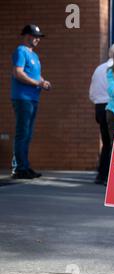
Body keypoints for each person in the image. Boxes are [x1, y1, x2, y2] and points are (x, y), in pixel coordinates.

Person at [11, 24, 51, 179]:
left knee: (27, 134)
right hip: (23, 98)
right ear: (26, 36)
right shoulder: (21, 51)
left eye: (39, 37)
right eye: (35, 36)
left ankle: (25, 166)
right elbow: (18, 73)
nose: (37, 39)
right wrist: (37, 83)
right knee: (22, 134)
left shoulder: (34, 56)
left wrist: (43, 81)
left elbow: (36, 76)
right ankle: (19, 169)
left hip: (33, 98)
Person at [89, 42, 114, 185]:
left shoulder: (99, 68)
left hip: (99, 107)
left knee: (107, 142)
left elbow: (92, 93)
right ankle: (110, 176)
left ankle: (102, 174)